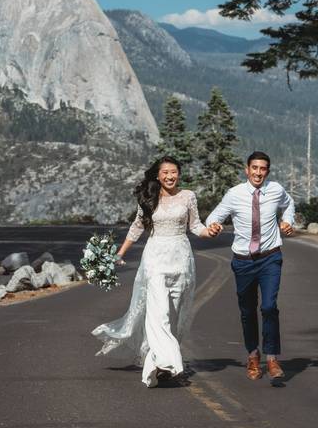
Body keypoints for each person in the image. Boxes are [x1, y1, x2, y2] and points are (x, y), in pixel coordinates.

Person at [91, 156, 223, 387]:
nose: (170, 176)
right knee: (158, 313)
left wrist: (209, 232)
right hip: (155, 259)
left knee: (172, 315)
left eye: (174, 172)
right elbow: (137, 227)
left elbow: (195, 226)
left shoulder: (188, 196)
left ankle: (159, 366)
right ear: (158, 176)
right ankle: (172, 363)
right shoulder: (149, 198)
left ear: (179, 174)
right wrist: (120, 253)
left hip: (181, 259)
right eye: (165, 173)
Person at [205, 151, 295, 382]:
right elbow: (215, 216)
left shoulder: (276, 190)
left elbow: (289, 204)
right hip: (243, 261)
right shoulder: (234, 194)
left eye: (262, 168)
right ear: (247, 170)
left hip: (270, 258)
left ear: (267, 171)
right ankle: (253, 355)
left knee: (268, 306)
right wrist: (213, 225)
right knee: (247, 311)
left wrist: (288, 221)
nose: (258, 172)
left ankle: (272, 357)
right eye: (254, 168)